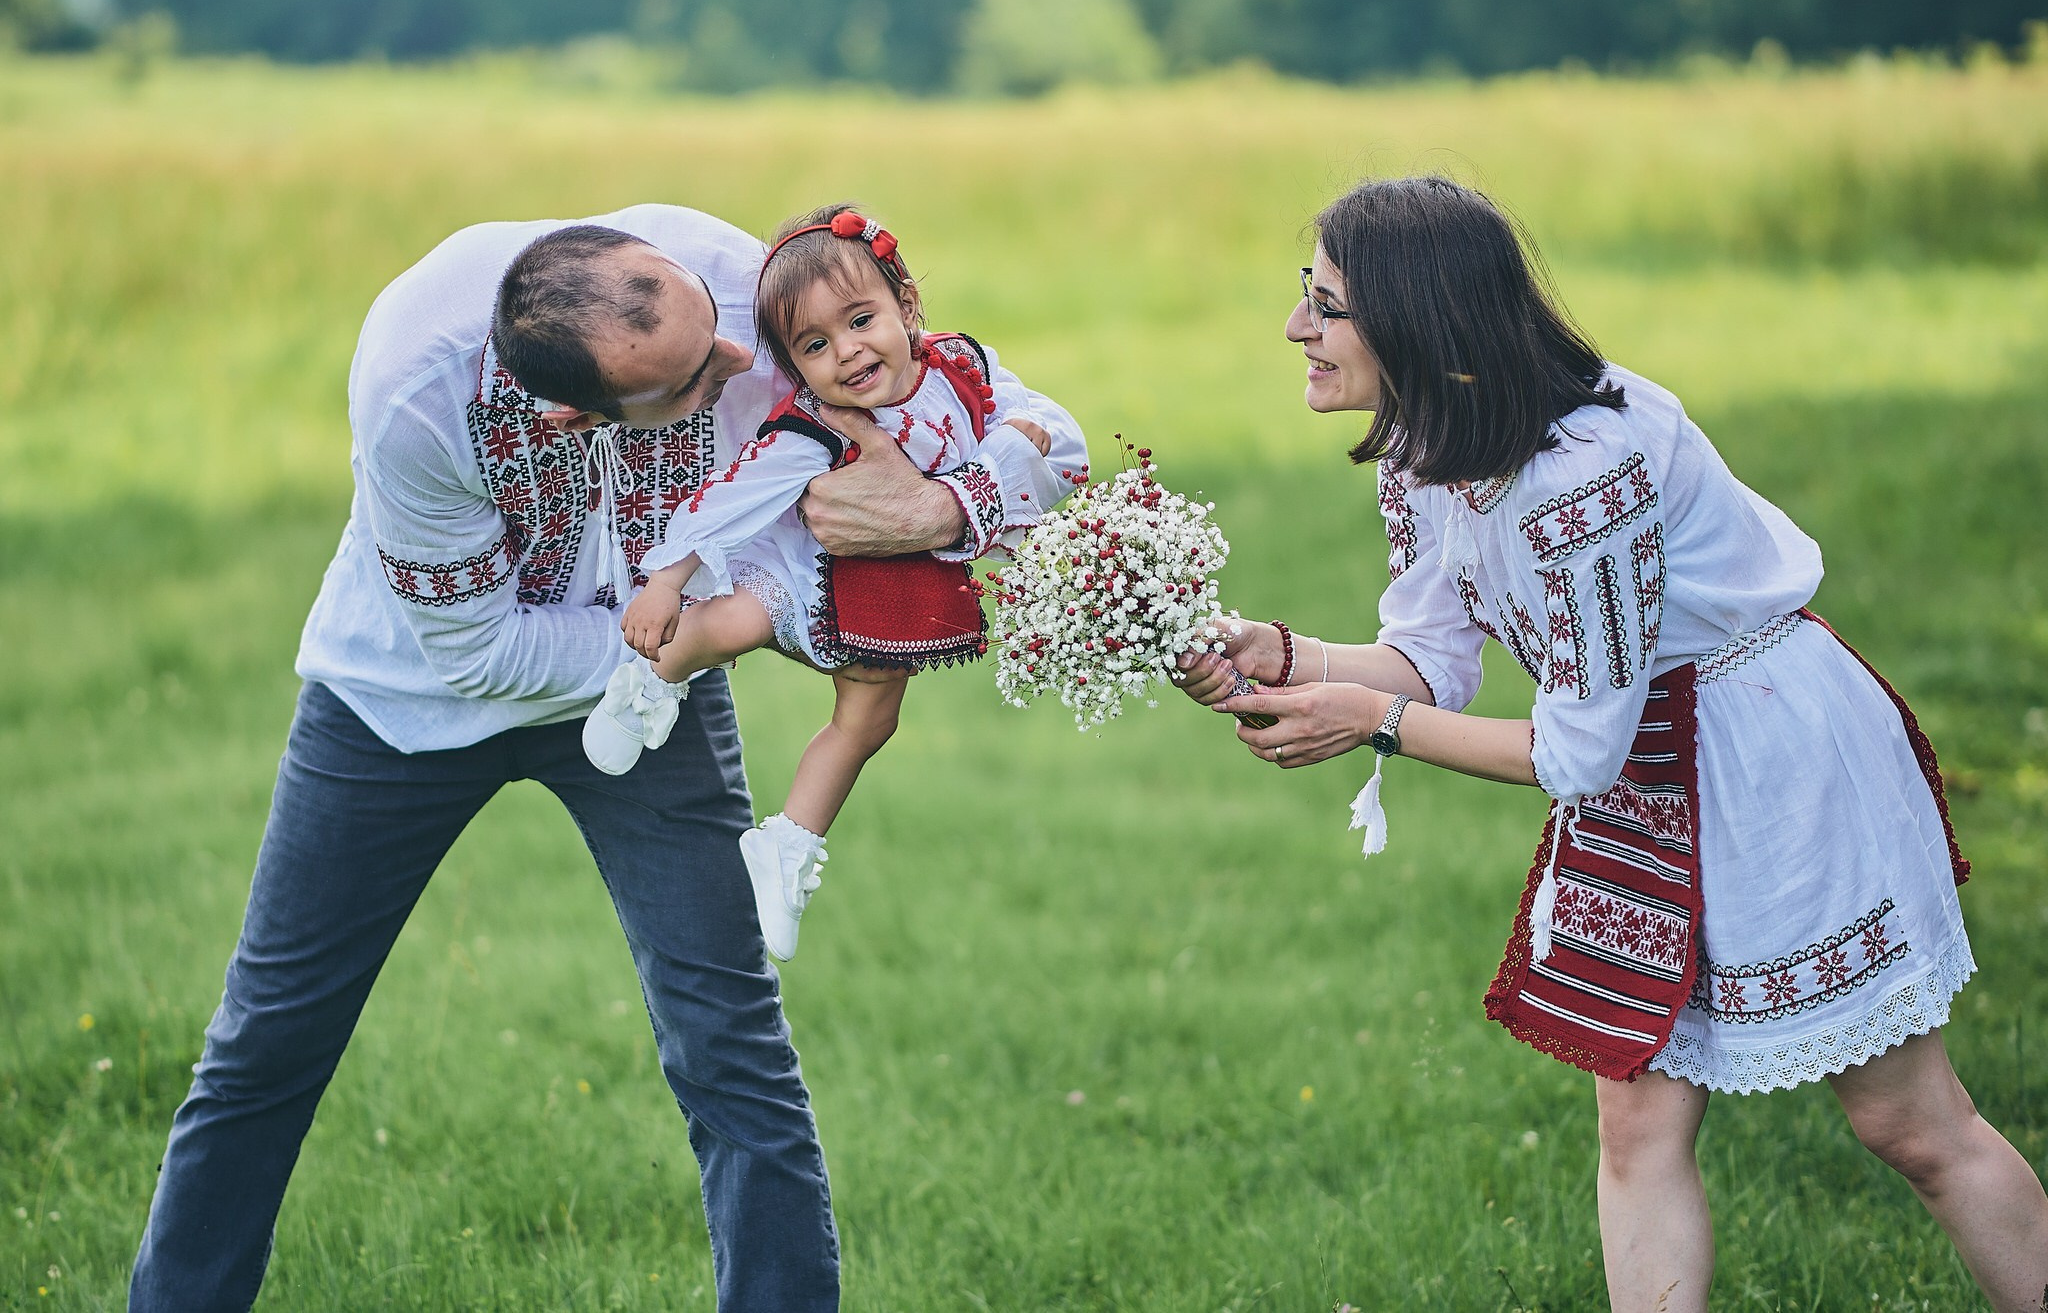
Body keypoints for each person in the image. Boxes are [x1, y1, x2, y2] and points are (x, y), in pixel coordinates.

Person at [127, 203, 1083, 1313]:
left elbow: (1014, 417)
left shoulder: (736, 290)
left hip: (655, 698)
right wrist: (765, 620)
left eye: (717, 332)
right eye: (693, 379)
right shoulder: (415, 394)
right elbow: (481, 651)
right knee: (267, 1039)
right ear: (579, 410)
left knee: (727, 1039)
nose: (741, 360)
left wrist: (939, 504)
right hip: (406, 701)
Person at [1175, 175, 2048, 1312]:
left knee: (1908, 1122)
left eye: (1325, 303)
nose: (1296, 326)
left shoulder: (1580, 472)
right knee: (1632, 1115)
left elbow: (1571, 750)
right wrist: (1288, 654)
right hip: (1640, 764)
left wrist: (1373, 724)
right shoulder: (1430, 441)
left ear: (1418, 319)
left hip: (1764, 748)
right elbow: (1432, 658)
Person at [583, 204, 1082, 962]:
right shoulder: (814, 426)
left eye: (860, 320)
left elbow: (1043, 442)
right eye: (815, 345)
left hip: (895, 592)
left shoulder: (963, 369)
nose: (847, 353)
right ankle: (652, 675)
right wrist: (666, 577)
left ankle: (788, 844)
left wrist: (1012, 455)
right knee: (732, 625)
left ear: (906, 304)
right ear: (794, 365)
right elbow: (732, 497)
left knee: (870, 722)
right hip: (801, 570)